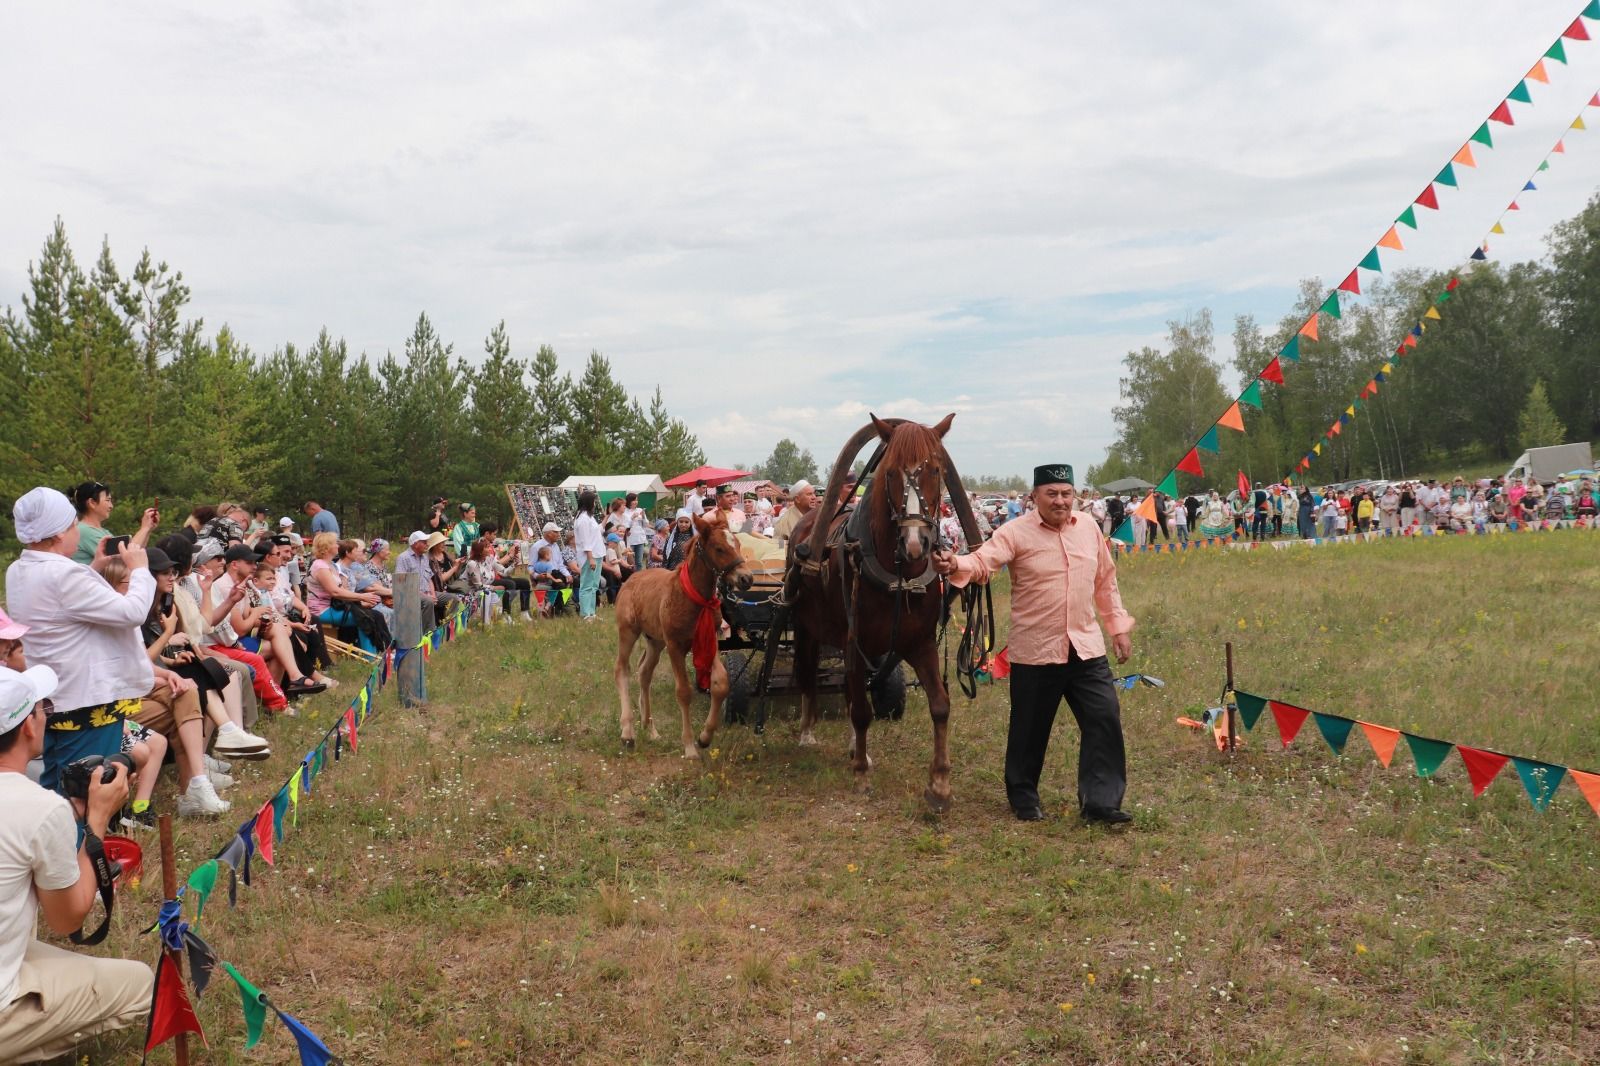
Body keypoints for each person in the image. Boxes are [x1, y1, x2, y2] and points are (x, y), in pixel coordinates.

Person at [932, 464, 1136, 825]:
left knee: (1103, 718)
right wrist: (954, 564)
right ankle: (1023, 795)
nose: (1060, 501)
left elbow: (1106, 581)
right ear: (1034, 497)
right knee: (1029, 727)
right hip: (1037, 651)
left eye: (1066, 494)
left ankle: (1101, 803)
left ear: (1075, 496)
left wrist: (1118, 628)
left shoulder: (1089, 529)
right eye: (1052, 494)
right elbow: (983, 562)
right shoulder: (1015, 532)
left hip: (1086, 648)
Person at [0, 665, 154, 1061]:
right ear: (29, 727)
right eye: (43, 707)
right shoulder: (38, 808)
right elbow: (67, 921)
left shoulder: (40, 808)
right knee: (141, 983)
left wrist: (72, 810)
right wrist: (97, 822)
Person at [6, 488, 156, 793]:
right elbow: (133, 611)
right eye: (74, 524)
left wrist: (95, 568)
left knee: (57, 780)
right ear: (60, 533)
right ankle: (80, 841)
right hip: (88, 700)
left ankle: (58, 838)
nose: (78, 530)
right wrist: (140, 571)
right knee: (86, 790)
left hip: (53, 697)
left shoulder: (19, 569)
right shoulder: (66, 575)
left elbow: (58, 606)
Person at [68, 481, 159, 565]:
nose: (111, 506)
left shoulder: (102, 531)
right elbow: (123, 558)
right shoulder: (84, 531)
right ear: (92, 503)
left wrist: (148, 529)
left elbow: (135, 551)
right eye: (107, 500)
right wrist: (144, 528)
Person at [574, 490, 604, 621]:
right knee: (586, 585)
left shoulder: (590, 517)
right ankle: (585, 613)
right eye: (594, 501)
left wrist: (607, 516)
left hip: (597, 553)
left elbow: (597, 532)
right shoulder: (583, 520)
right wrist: (590, 558)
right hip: (589, 556)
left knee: (594, 585)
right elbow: (586, 541)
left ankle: (592, 612)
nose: (595, 504)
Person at [623, 493, 651, 571]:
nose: (636, 502)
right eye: (634, 500)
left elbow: (646, 524)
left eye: (636, 500)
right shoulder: (625, 512)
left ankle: (639, 577)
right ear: (629, 501)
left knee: (639, 562)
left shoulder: (639, 510)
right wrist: (632, 518)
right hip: (630, 540)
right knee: (630, 561)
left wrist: (643, 516)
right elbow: (625, 526)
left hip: (640, 539)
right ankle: (630, 576)